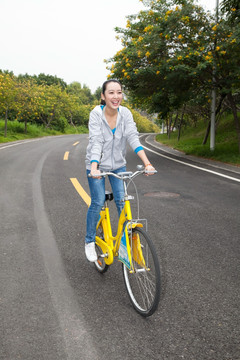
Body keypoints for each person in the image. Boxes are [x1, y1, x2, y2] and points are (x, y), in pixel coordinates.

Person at [85, 79, 155, 262]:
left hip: (118, 165)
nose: (116, 97)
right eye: (111, 93)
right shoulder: (96, 114)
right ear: (103, 96)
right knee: (98, 201)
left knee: (123, 203)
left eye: (119, 92)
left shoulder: (125, 114)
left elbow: (133, 138)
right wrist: (94, 167)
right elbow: (96, 141)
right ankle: (90, 241)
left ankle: (127, 243)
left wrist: (147, 163)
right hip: (97, 166)